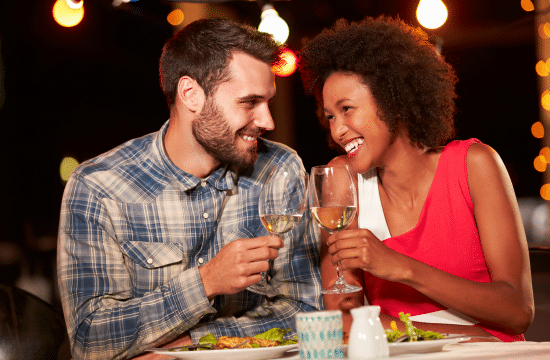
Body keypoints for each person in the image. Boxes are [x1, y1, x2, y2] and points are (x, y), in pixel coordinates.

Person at [57, 18, 322, 360]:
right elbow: (90, 339)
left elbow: (307, 309)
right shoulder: (98, 186)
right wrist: (206, 282)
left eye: (268, 102)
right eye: (249, 102)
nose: (268, 121)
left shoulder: (280, 171)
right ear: (190, 94)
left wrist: (194, 343)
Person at [298, 15, 534, 342]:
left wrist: (402, 268)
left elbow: (518, 310)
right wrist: (460, 336)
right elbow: (342, 322)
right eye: (330, 116)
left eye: (347, 109)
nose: (337, 130)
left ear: (393, 99)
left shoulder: (474, 165)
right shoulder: (342, 178)